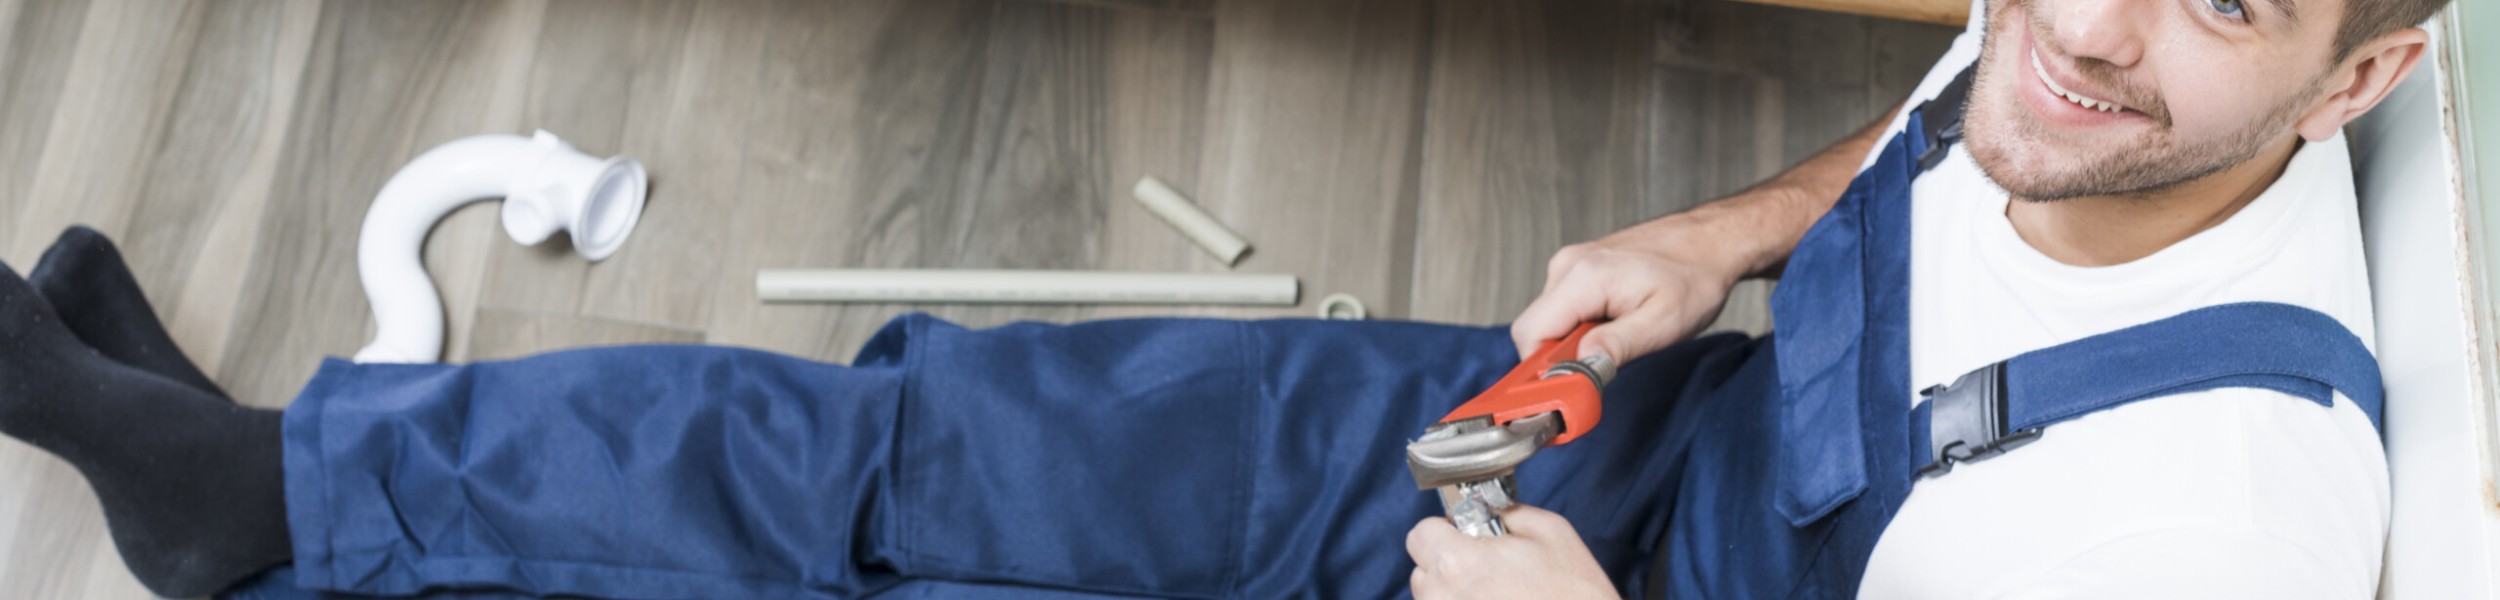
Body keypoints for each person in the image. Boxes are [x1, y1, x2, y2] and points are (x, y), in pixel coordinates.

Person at [0, 0, 2448, 598]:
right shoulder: (2078, 56)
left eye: (2219, 1)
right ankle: (275, 488)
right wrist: (1722, 237)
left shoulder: (2200, 506)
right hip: (1602, 455)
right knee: (938, 437)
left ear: (2356, 79)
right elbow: (1960, 127)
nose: (2093, 29)